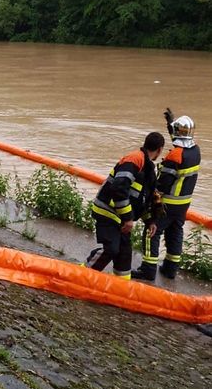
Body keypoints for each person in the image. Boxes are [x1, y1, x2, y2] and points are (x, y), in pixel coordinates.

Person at [85, 132, 165, 279]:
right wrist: (128, 218)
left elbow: (145, 199)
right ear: (160, 150)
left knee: (124, 256)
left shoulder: (148, 170)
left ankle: (120, 289)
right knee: (112, 249)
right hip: (107, 212)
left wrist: (151, 221)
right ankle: (82, 275)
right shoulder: (134, 160)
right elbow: (119, 188)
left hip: (121, 218)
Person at [132, 111, 201, 281]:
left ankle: (148, 270)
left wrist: (151, 196)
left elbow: (163, 184)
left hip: (168, 203)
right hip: (184, 204)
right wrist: (171, 125)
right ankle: (170, 269)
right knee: (175, 232)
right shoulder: (195, 151)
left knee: (151, 231)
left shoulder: (175, 156)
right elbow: (180, 141)